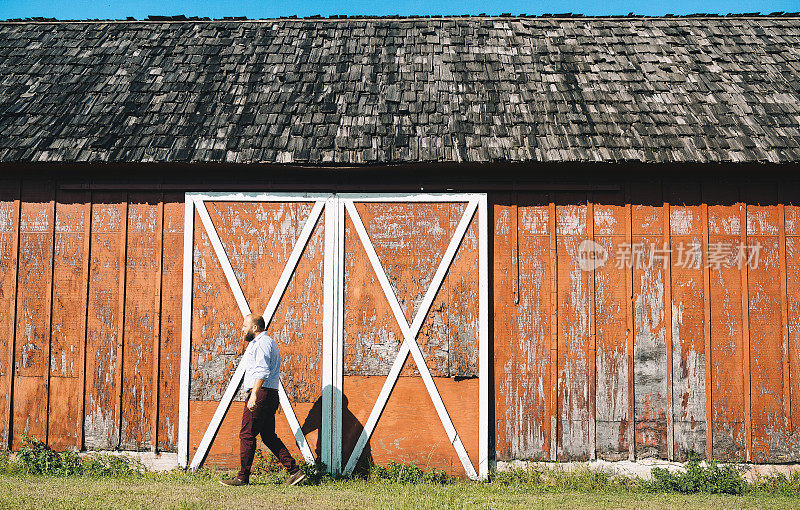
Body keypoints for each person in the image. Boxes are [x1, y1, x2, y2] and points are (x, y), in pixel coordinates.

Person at [220, 313, 306, 486]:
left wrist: (254, 394)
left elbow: (262, 371)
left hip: (261, 393)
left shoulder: (263, 344)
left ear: (254, 328)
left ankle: (242, 477)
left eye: (245, 326)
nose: (242, 328)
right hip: (268, 394)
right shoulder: (263, 343)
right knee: (268, 435)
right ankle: (294, 471)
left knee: (246, 434)